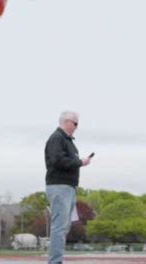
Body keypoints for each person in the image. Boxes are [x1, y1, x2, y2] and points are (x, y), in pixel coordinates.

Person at [45, 111, 91, 264]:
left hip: (68, 187)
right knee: (59, 226)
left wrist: (78, 161)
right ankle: (55, 261)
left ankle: (56, 260)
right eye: (75, 123)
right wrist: (79, 162)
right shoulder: (57, 138)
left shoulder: (67, 141)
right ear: (66, 122)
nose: (77, 127)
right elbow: (57, 160)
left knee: (64, 227)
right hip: (59, 186)